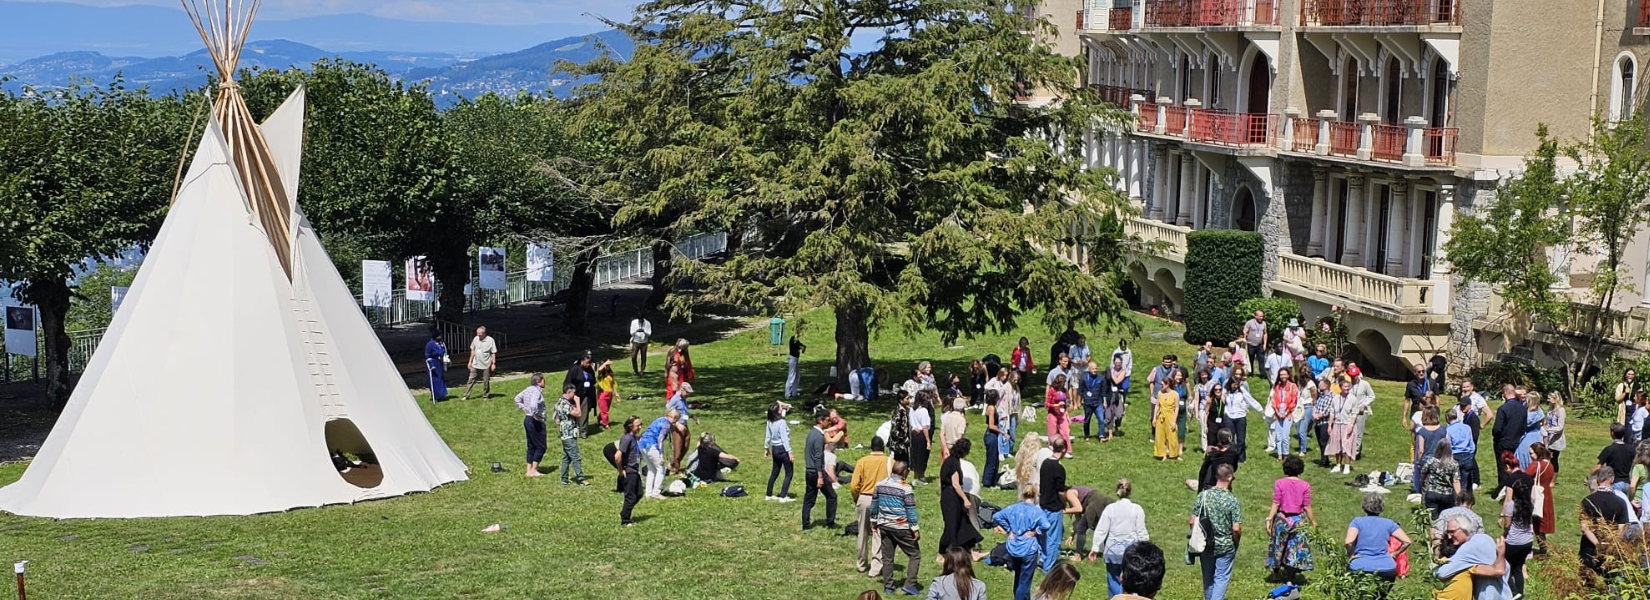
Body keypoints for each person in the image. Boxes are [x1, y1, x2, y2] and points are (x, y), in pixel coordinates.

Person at [1087, 478, 1149, 598]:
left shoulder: (1110, 509)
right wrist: (1146, 547)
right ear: (1130, 492)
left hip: (1112, 550)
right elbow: (1141, 531)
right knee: (1131, 582)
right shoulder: (1137, 509)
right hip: (1131, 552)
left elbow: (1101, 529)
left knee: (1113, 581)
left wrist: (1095, 547)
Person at [988, 486, 1049, 600]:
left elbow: (997, 516)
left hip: (1013, 548)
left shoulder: (1013, 508)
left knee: (1018, 576)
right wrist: (1035, 532)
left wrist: (1009, 530)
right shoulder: (1037, 512)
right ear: (1035, 496)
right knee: (1025, 581)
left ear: (1022, 495)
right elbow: (1046, 525)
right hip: (1028, 549)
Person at [1344, 494, 1411, 595]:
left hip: (1360, 567)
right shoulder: (1389, 523)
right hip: (1386, 568)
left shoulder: (1357, 522)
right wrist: (1394, 554)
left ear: (1364, 506)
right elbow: (1407, 541)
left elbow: (1348, 542)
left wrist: (1352, 554)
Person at [873, 460, 922, 596]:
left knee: (887, 557)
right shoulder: (905, 488)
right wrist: (915, 528)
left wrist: (873, 521)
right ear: (904, 472)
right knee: (915, 555)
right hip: (901, 527)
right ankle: (910, 584)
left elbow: (874, 503)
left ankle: (888, 586)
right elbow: (910, 510)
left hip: (885, 525)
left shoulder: (880, 484)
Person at [1192, 464, 1241, 600]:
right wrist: (1236, 542)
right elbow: (1236, 528)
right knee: (1221, 578)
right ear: (1229, 478)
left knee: (1208, 579)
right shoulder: (1232, 500)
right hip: (1225, 545)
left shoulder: (1203, 496)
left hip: (1206, 543)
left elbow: (1192, 521)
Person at [1266, 456, 1317, 580]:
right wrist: (1313, 521)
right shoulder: (1305, 485)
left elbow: (1276, 503)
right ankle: (1290, 578)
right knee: (1294, 549)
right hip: (1298, 521)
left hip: (1282, 518)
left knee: (1278, 545)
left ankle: (1276, 573)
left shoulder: (1280, 483)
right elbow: (1307, 506)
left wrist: (1269, 519)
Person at [1435, 515, 1508, 600]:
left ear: (1464, 529)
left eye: (1452, 532)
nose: (1449, 536)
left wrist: (1433, 567)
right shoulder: (1484, 538)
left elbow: (1441, 573)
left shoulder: (1469, 547)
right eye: (1448, 532)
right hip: (1503, 594)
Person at [1580, 465, 1632, 578]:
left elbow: (1585, 527)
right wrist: (1612, 543)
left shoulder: (1587, 501)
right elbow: (1623, 528)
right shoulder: (1620, 502)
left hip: (1589, 548)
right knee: (1610, 581)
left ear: (1597, 480)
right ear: (1612, 480)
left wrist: (1597, 544)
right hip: (1611, 550)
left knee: (1588, 582)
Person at [852, 437, 892, 575]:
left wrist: (857, 498)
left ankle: (861, 563)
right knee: (878, 532)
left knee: (862, 532)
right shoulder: (889, 462)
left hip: (865, 497)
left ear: (871, 447)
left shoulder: (862, 462)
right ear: (883, 447)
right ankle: (876, 567)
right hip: (882, 499)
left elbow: (854, 485)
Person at [1038, 438, 1079, 572]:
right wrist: (1064, 504)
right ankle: (1048, 568)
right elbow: (1061, 491)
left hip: (1043, 505)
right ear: (1064, 450)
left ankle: (1042, 559)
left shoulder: (1045, 463)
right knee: (1054, 539)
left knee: (1043, 536)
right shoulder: (1059, 468)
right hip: (1054, 507)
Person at [937, 438, 983, 555]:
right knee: (952, 526)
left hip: (948, 496)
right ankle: (944, 552)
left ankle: (972, 552)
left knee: (963, 523)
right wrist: (965, 499)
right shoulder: (954, 463)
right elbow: (956, 484)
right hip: (951, 497)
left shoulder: (948, 461)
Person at [803, 410, 839, 530]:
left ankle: (806, 524)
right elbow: (818, 456)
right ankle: (830, 522)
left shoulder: (810, 433)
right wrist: (820, 476)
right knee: (831, 496)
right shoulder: (819, 436)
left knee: (809, 498)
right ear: (820, 420)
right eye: (828, 420)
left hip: (809, 470)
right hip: (817, 471)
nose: (829, 422)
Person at [1499, 477, 1534, 598]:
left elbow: (1507, 524)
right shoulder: (1530, 505)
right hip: (1527, 541)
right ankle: (1520, 592)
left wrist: (1504, 534)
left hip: (1514, 541)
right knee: (1518, 567)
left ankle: (1513, 591)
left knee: (1505, 565)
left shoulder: (1511, 505)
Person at [1491, 385, 1528, 492]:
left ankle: (1504, 489)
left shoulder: (1503, 409)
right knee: (1515, 465)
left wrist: (1496, 437)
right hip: (1517, 441)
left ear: (1505, 393)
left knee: (1503, 467)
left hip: (1503, 442)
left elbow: (1497, 429)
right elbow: (1524, 427)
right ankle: (1516, 486)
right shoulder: (1522, 408)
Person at [1521, 442, 1556, 554]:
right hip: (1545, 494)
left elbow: (1525, 477)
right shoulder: (1550, 465)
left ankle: (1535, 547)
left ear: (1538, 453)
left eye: (1531, 453)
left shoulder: (1536, 465)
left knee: (1534, 522)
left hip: (1535, 495)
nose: (1530, 455)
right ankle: (1543, 548)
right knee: (1541, 523)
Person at [551, 384, 588, 486]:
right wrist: (577, 402)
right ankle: (581, 478)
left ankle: (564, 479)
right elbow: (578, 414)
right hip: (569, 434)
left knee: (566, 457)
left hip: (565, 433)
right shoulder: (565, 404)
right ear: (569, 392)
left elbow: (557, 420)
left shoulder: (560, 402)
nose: (574, 394)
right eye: (573, 393)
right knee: (575, 456)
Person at [1222, 373, 1264, 463]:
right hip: (1229, 417)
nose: (1235, 386)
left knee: (1241, 439)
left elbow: (1250, 400)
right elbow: (1221, 401)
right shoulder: (1226, 392)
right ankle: (1232, 457)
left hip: (1240, 417)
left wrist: (1260, 409)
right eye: (1233, 383)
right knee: (1231, 439)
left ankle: (1241, 457)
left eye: (1236, 384)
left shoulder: (1242, 391)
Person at [638, 410, 678, 500]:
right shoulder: (667, 425)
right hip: (651, 445)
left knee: (651, 469)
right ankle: (656, 492)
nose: (675, 423)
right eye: (676, 420)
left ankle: (648, 493)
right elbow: (660, 439)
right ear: (673, 418)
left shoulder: (659, 419)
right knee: (661, 468)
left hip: (642, 444)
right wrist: (661, 454)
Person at [515, 374, 548, 477]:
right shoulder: (536, 392)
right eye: (543, 380)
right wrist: (534, 414)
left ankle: (528, 470)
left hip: (527, 419)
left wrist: (524, 408)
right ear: (539, 382)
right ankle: (534, 470)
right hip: (535, 421)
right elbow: (534, 405)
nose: (544, 382)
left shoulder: (528, 389)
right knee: (541, 446)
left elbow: (517, 398)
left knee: (531, 445)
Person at [1413, 406, 1450, 494]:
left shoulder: (1422, 431)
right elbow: (1447, 445)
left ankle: (1426, 502)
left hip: (1426, 460)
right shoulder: (1444, 430)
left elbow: (1420, 450)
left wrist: (1418, 461)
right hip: (1440, 459)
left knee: (1425, 484)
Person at [1420, 439, 1462, 518]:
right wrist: (1459, 496)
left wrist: (1422, 484)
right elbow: (1456, 481)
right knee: (1445, 518)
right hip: (1447, 495)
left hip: (1432, 492)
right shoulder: (1453, 464)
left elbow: (1423, 473)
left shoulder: (1431, 460)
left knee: (1432, 519)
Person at [613, 416, 642, 525]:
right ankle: (625, 520)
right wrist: (621, 470)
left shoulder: (633, 437)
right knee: (630, 496)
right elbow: (617, 456)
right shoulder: (627, 438)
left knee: (639, 493)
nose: (640, 427)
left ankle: (624, 512)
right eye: (637, 425)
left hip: (635, 470)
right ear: (630, 426)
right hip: (629, 471)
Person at [1344, 365, 1376, 463]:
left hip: (1360, 412)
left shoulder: (1365, 384)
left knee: (1358, 432)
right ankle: (1348, 450)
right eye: (1351, 376)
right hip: (1350, 412)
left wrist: (1364, 404)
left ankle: (1356, 452)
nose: (1353, 378)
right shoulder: (1348, 385)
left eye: (1354, 376)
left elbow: (1372, 396)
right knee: (1349, 431)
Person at [765, 402, 795, 502]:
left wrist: (766, 448)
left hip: (774, 449)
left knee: (775, 472)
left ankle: (768, 494)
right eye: (781, 408)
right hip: (782, 449)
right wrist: (789, 452)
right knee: (789, 473)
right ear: (778, 411)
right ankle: (783, 496)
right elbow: (784, 438)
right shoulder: (781, 422)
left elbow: (768, 436)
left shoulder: (770, 421)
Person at [563, 352, 597, 437]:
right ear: (582, 361)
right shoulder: (574, 369)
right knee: (574, 413)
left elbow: (593, 380)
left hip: (586, 394)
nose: (588, 364)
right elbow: (567, 382)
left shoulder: (589, 370)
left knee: (584, 413)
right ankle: (574, 430)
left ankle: (583, 431)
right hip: (575, 395)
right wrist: (569, 394)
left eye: (590, 363)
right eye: (587, 362)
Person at [665, 382, 697, 474]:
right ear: (682, 390)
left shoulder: (683, 399)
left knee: (685, 447)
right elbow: (667, 413)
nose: (688, 395)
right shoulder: (675, 399)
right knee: (678, 449)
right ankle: (676, 469)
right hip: (676, 427)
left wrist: (693, 417)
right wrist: (677, 424)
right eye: (687, 392)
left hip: (684, 425)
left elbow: (684, 413)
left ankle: (672, 463)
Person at [1269, 369, 1298, 460]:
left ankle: (1286, 453)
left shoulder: (1293, 386)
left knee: (1285, 435)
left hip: (1288, 412)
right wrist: (1277, 412)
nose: (1283, 376)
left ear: (1288, 375)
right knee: (1278, 435)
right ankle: (1279, 454)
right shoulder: (1277, 386)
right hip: (1278, 411)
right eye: (1281, 375)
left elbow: (1294, 401)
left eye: (1285, 374)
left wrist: (1285, 413)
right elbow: (1273, 400)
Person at [1152, 371, 1182, 461]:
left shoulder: (1175, 394)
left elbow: (1176, 408)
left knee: (1172, 435)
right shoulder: (1160, 393)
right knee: (1160, 436)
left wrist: (1174, 421)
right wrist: (1154, 418)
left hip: (1170, 415)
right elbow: (1157, 406)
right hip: (1161, 416)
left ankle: (1174, 454)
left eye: (1162, 385)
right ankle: (1162, 454)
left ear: (1167, 384)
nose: (1161, 386)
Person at [1599, 423, 1636, 494]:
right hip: (1627, 483)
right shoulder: (1631, 449)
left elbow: (1598, 466)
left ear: (1612, 433)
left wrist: (1591, 477)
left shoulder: (1609, 449)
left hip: (1615, 483)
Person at [462, 325, 497, 400]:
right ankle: (466, 395)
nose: (478, 335)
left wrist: (493, 363)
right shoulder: (475, 339)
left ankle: (485, 395)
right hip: (475, 363)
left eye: (479, 334)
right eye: (477, 333)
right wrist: (470, 361)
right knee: (471, 379)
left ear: (484, 333)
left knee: (486, 381)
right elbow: (473, 350)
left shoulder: (490, 340)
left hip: (486, 364)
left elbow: (493, 352)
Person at [909, 391, 936, 482]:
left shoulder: (912, 409)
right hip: (922, 435)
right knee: (923, 456)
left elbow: (911, 422)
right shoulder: (924, 411)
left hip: (914, 434)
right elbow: (925, 427)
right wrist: (928, 440)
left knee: (916, 455)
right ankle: (920, 477)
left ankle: (916, 475)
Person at [1047, 375, 1074, 459]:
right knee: (1052, 433)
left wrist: (1066, 413)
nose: (1064, 384)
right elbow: (1047, 404)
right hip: (1052, 413)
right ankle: (1051, 450)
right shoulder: (1052, 390)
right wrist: (1056, 405)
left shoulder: (1064, 391)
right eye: (1063, 382)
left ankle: (1066, 450)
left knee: (1065, 431)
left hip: (1062, 414)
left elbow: (1065, 403)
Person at [1080, 361, 1108, 441]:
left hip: (1098, 402)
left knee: (1101, 419)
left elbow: (1103, 391)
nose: (1095, 370)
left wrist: (1104, 402)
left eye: (1096, 368)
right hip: (1088, 403)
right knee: (1087, 420)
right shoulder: (1084, 378)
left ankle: (1101, 435)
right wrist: (1079, 401)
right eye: (1093, 369)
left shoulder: (1101, 378)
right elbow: (1080, 391)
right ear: (1089, 369)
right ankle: (1087, 435)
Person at [983, 390, 1005, 488]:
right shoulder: (991, 408)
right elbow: (991, 425)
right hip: (991, 435)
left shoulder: (992, 407)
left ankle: (992, 480)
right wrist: (1002, 432)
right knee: (991, 459)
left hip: (993, 435)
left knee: (995, 458)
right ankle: (988, 482)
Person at [1541, 392, 1567, 473]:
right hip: (1548, 436)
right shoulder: (1550, 408)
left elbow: (1560, 427)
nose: (1548, 400)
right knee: (1545, 457)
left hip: (1556, 438)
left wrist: (1549, 430)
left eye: (1549, 398)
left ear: (1555, 399)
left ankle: (1553, 478)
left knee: (1553, 459)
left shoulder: (1561, 410)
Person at [1106, 356, 1129, 440]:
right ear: (1114, 363)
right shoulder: (1110, 370)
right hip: (1110, 394)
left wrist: (1111, 374)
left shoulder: (1123, 371)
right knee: (1109, 413)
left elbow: (1117, 381)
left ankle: (1116, 426)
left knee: (1119, 414)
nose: (1118, 365)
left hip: (1119, 394)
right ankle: (1110, 432)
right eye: (1116, 363)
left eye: (1119, 363)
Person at [1404, 363, 1432, 429]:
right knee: (1414, 433)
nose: (1421, 373)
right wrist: (1404, 417)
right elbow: (1407, 401)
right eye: (1419, 372)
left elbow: (1437, 399)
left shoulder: (1430, 383)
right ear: (1415, 373)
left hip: (1428, 412)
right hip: (1415, 411)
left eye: (1423, 371)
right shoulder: (1410, 385)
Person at [941, 397, 969, 462]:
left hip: (946, 445)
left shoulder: (947, 416)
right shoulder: (961, 420)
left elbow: (941, 434)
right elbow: (959, 438)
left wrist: (945, 448)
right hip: (955, 448)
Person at [424, 331, 449, 401]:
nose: (440, 337)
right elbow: (427, 355)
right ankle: (435, 396)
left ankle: (441, 394)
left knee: (440, 379)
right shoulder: (429, 345)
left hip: (439, 363)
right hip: (433, 364)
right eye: (439, 336)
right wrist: (432, 365)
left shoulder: (441, 343)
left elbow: (444, 352)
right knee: (434, 380)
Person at [594, 360, 618, 429]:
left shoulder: (610, 374)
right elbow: (599, 370)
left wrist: (616, 394)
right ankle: (606, 424)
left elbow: (613, 384)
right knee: (604, 410)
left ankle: (599, 419)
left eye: (608, 366)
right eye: (606, 366)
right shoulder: (601, 375)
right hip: (602, 394)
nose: (607, 367)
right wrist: (605, 363)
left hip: (609, 394)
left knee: (605, 409)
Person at [785, 334, 806, 399]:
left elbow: (801, 345)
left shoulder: (796, 341)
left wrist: (803, 347)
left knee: (797, 375)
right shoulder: (793, 340)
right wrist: (801, 347)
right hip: (792, 359)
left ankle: (794, 392)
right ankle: (788, 393)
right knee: (792, 376)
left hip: (796, 359)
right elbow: (797, 345)